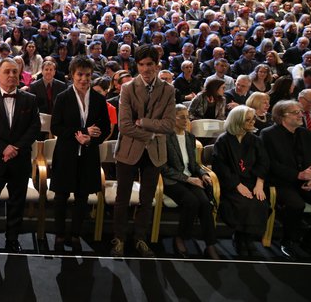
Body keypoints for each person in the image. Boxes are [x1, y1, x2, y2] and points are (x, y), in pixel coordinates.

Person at [112, 44, 176, 258]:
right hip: (129, 150)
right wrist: (150, 133)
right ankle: (118, 238)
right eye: (141, 65)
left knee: (146, 200)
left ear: (157, 66)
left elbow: (169, 125)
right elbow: (125, 126)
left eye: (150, 64)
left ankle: (140, 238)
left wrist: (144, 122)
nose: (146, 69)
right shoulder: (127, 88)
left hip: (155, 153)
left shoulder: (168, 90)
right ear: (136, 66)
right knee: (122, 199)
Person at [0, 57, 41, 252]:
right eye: (7, 71)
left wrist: (15, 148)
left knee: (17, 203)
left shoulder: (30, 99)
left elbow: (34, 127)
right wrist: (3, 148)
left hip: (19, 160)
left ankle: (12, 239)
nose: (12, 75)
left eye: (15, 71)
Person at [50, 56, 110, 252]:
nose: (84, 79)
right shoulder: (62, 97)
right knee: (61, 196)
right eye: (80, 75)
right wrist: (82, 133)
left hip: (89, 154)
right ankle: (59, 233)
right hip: (66, 153)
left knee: (82, 197)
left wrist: (91, 139)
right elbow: (56, 127)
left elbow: (105, 127)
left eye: (87, 75)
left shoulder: (99, 99)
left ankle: (75, 234)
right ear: (72, 75)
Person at [261, 100, 311, 260]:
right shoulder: (268, 134)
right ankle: (288, 241)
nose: (301, 115)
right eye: (296, 112)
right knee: (296, 204)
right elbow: (270, 164)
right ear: (282, 116)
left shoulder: (307, 134)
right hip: (282, 181)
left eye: (300, 112)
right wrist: (297, 175)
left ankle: (310, 240)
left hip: (308, 181)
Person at [162, 104, 220, 259]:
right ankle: (181, 237)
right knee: (191, 202)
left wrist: (202, 174)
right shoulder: (164, 137)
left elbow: (194, 164)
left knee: (205, 203)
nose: (186, 120)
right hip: (172, 180)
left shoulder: (189, 137)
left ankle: (210, 244)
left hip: (191, 178)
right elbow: (163, 168)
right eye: (182, 117)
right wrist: (188, 179)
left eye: (187, 117)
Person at [212, 105, 270, 257]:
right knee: (241, 202)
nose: (253, 123)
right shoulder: (223, 141)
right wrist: (237, 185)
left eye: (253, 119)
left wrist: (259, 183)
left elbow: (263, 162)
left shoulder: (255, 140)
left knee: (260, 202)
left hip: (252, 181)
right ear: (237, 121)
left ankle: (248, 238)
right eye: (248, 120)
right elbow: (221, 167)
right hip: (231, 183)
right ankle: (239, 237)